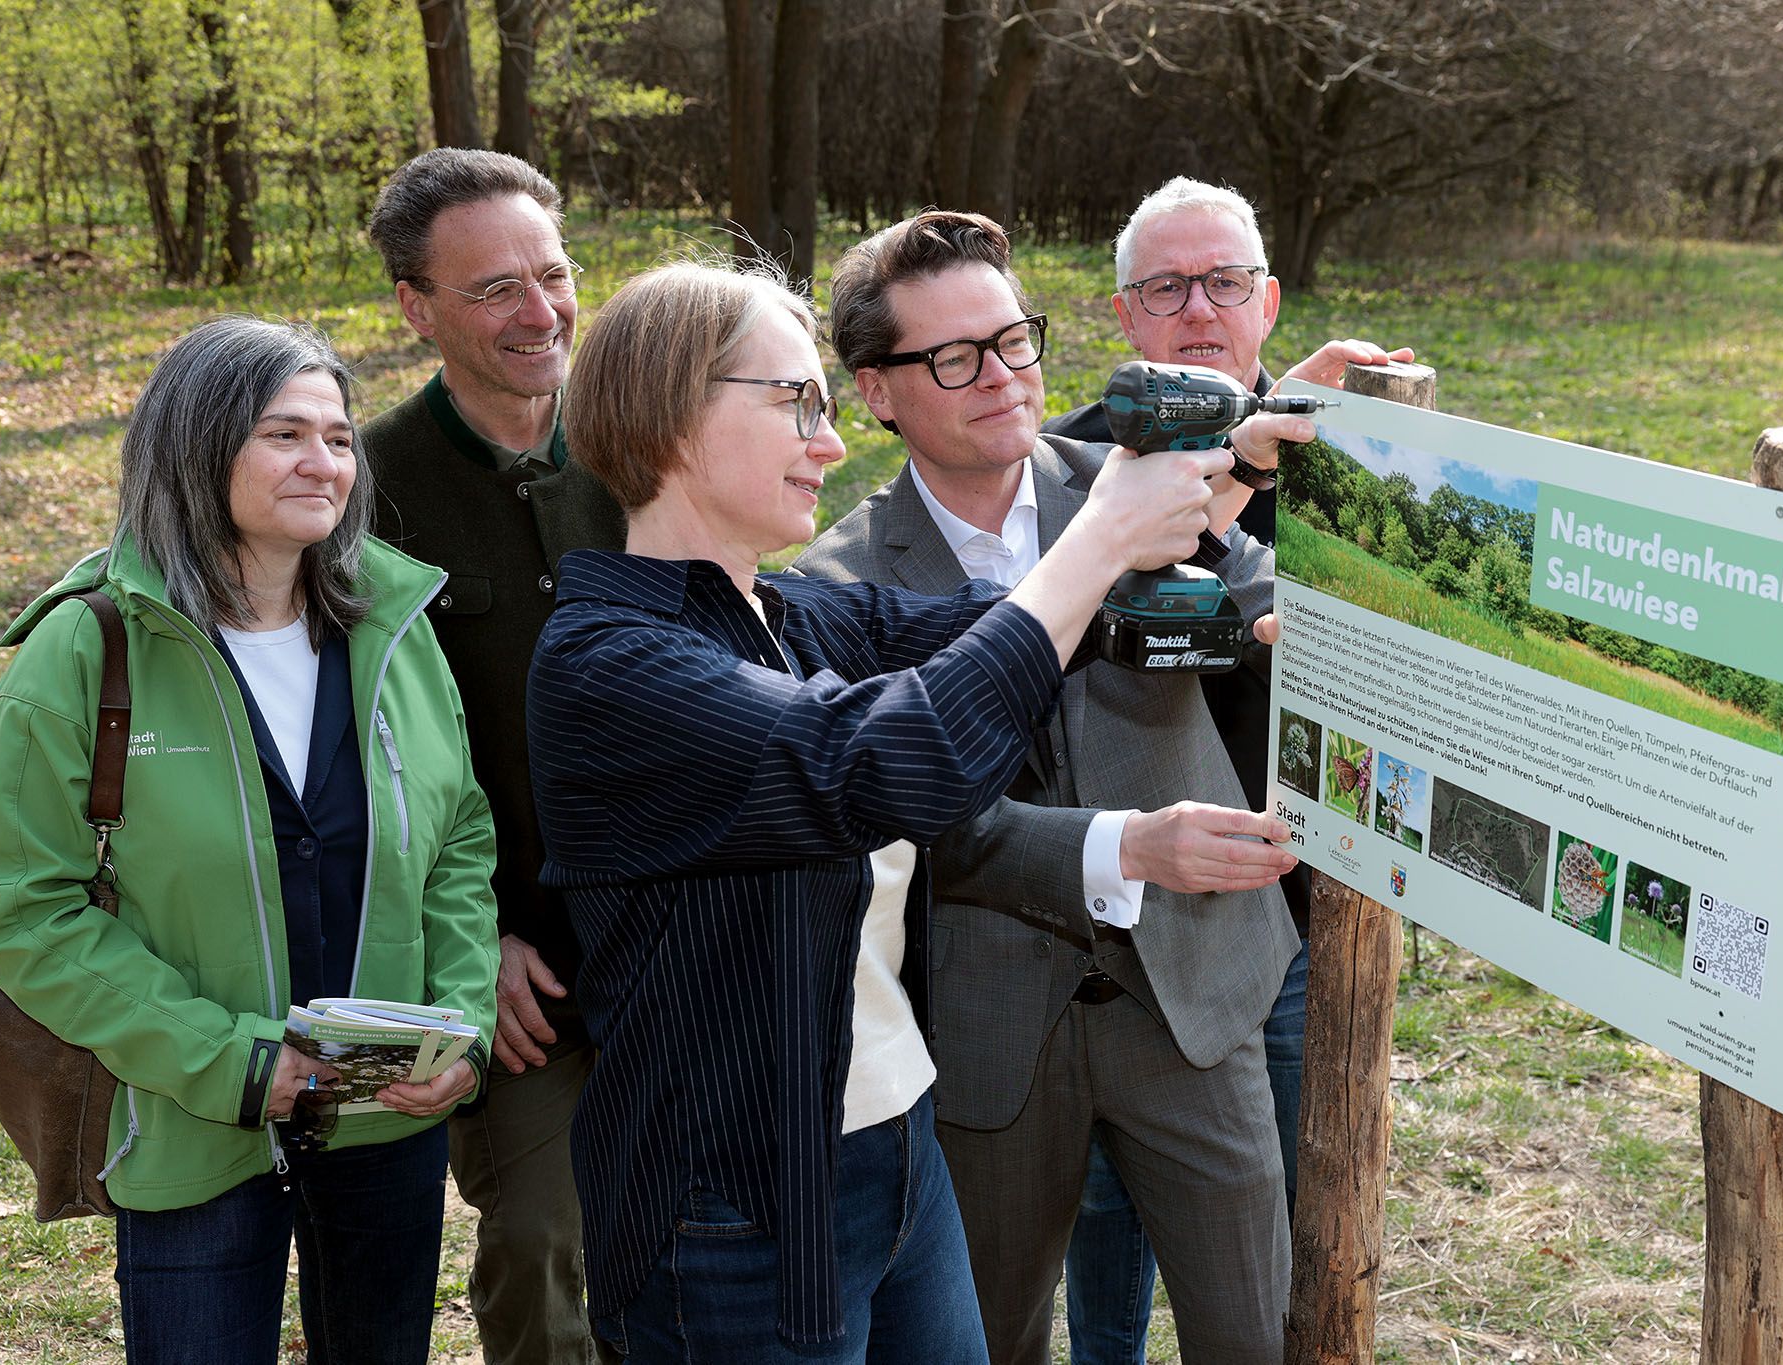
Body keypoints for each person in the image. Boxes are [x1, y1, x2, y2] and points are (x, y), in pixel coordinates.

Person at [525, 258, 1245, 1362]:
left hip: (898, 1140)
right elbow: (891, 758)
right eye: (795, 403)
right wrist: (1101, 535)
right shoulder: (609, 663)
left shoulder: (791, 616)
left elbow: (999, 625)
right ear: (671, 415)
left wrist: (1203, 530)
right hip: (737, 1206)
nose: (827, 443)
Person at [795, 209, 1300, 1365]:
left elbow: (1263, 603)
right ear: (874, 391)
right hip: (985, 1031)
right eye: (953, 358)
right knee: (986, 1339)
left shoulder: (1146, 487)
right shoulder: (838, 583)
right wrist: (1127, 845)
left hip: (1195, 992)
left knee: (1248, 1334)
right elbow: (917, 814)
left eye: (1013, 340)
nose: (1002, 377)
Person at [0, 316, 498, 1363]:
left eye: (338, 438)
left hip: (386, 1116)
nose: (323, 462)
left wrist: (461, 1030)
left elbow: (458, 840)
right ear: (196, 445)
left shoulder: (393, 626)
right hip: (192, 1119)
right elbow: (22, 906)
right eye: (283, 434)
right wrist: (230, 1062)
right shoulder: (87, 645)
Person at [1043, 176, 1413, 1361]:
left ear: (1267, 300)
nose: (1196, 308)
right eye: (1164, 287)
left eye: (1222, 282)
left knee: (1289, 1229)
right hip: (1114, 933)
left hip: (1289, 921)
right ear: (1121, 314)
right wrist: (1230, 446)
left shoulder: (1349, 465)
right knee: (1106, 1246)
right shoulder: (1069, 469)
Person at [362, 148, 625, 1365]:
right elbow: (350, 764)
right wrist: (476, 945)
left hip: (672, 931)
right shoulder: (362, 492)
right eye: (493, 290)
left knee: (701, 1233)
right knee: (537, 1239)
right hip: (511, 969)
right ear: (415, 310)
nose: (540, 312)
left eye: (552, 275)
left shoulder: (644, 443)